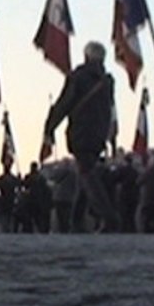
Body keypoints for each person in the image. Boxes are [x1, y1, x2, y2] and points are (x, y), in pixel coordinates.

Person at [41, 41, 121, 233]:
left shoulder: (79, 77)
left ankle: (108, 217)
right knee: (85, 172)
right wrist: (110, 134)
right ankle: (76, 221)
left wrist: (50, 127)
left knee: (87, 173)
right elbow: (111, 109)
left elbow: (65, 103)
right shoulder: (107, 81)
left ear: (86, 56)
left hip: (82, 131)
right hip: (99, 132)